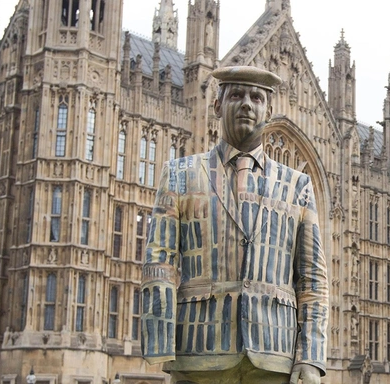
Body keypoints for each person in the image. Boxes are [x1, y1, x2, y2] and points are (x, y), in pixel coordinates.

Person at [141, 66, 329, 384]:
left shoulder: (298, 185)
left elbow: (312, 280)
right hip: (198, 355)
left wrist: (311, 358)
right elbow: (159, 262)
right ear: (217, 106)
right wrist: (162, 348)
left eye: (256, 97)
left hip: (273, 357)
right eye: (236, 95)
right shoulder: (178, 174)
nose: (246, 104)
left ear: (268, 111)